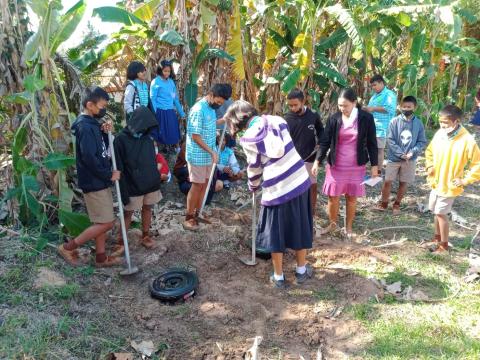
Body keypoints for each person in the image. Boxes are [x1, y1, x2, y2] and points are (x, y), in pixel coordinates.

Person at [224, 100, 314, 289]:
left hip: (276, 189)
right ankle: (301, 271)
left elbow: (254, 167)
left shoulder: (247, 139)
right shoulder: (277, 120)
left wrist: (253, 185)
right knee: (299, 225)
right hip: (298, 179)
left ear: (237, 122)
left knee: (276, 233)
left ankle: (279, 277)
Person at [58, 86, 122, 267]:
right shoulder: (84, 127)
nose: (104, 110)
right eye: (102, 106)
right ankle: (68, 247)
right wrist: (109, 174)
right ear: (89, 105)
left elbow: (97, 148)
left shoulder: (92, 124)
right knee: (107, 222)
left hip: (99, 179)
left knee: (100, 220)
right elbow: (89, 157)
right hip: (94, 181)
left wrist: (103, 131)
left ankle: (101, 257)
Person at [312, 87, 378, 239]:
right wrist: (317, 161)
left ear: (354, 103)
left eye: (345, 105)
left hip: (356, 165)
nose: (342, 109)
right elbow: (325, 142)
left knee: (351, 197)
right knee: (333, 196)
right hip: (336, 165)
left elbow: (372, 144)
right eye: (340, 106)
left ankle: (348, 226)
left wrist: (375, 166)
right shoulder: (334, 118)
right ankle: (333, 224)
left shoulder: (366, 118)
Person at [425, 105, 480, 252]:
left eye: (446, 123)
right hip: (436, 181)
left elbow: (477, 163)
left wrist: (465, 180)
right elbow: (429, 151)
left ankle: (444, 245)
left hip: (449, 184)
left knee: (441, 213)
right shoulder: (440, 133)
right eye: (441, 122)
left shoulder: (467, 140)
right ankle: (437, 238)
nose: (442, 126)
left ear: (456, 122)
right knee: (435, 211)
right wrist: (429, 166)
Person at [112, 106, 163, 254]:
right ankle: (121, 241)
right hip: (132, 183)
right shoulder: (120, 140)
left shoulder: (147, 139)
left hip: (150, 182)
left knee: (147, 208)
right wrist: (122, 189)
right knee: (128, 212)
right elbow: (118, 166)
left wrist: (156, 178)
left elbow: (151, 161)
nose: (145, 130)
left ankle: (145, 235)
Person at [183, 84, 230, 231]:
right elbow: (195, 136)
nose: (219, 104)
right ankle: (189, 217)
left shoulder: (210, 109)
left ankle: (199, 212)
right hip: (197, 155)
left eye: (222, 103)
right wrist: (212, 151)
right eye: (218, 101)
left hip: (209, 155)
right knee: (197, 185)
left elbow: (209, 125)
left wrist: (222, 120)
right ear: (211, 94)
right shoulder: (198, 109)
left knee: (205, 184)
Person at [375, 96, 427, 215]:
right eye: (404, 106)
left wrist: (412, 152)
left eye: (409, 107)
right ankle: (384, 203)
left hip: (410, 159)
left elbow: (421, 141)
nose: (406, 108)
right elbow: (390, 139)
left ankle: (397, 204)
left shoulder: (418, 123)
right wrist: (400, 154)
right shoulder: (394, 121)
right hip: (394, 158)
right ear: (400, 106)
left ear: (415, 107)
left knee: (403, 182)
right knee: (387, 180)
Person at [284, 88, 324, 215]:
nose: (293, 108)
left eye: (295, 105)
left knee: (312, 185)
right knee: (292, 186)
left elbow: (321, 131)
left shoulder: (313, 115)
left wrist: (320, 143)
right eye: (290, 105)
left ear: (303, 102)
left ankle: (311, 211)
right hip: (292, 159)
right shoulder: (287, 118)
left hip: (310, 158)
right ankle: (294, 211)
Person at [150, 60, 186, 152]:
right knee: (158, 132)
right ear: (160, 70)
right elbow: (152, 99)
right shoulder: (155, 82)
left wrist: (181, 113)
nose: (167, 73)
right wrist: (154, 113)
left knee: (174, 130)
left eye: (169, 71)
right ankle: (156, 151)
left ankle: (177, 149)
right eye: (165, 71)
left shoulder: (171, 82)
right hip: (159, 111)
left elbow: (175, 99)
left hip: (170, 111)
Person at [364, 74, 397, 170]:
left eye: (375, 85)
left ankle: (378, 171)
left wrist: (373, 108)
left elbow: (390, 109)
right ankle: (372, 168)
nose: (373, 87)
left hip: (382, 127)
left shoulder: (389, 94)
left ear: (381, 83)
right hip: (372, 126)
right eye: (372, 86)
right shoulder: (374, 96)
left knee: (379, 149)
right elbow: (371, 109)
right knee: (371, 148)